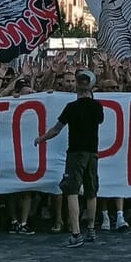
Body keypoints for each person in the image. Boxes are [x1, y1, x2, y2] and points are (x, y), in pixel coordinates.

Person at [35, 69, 103, 248]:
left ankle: (76, 233)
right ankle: (90, 229)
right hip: (92, 152)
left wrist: (41, 138)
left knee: (72, 191)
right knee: (91, 191)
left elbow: (56, 129)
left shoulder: (71, 108)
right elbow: (99, 120)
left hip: (75, 152)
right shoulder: (97, 107)